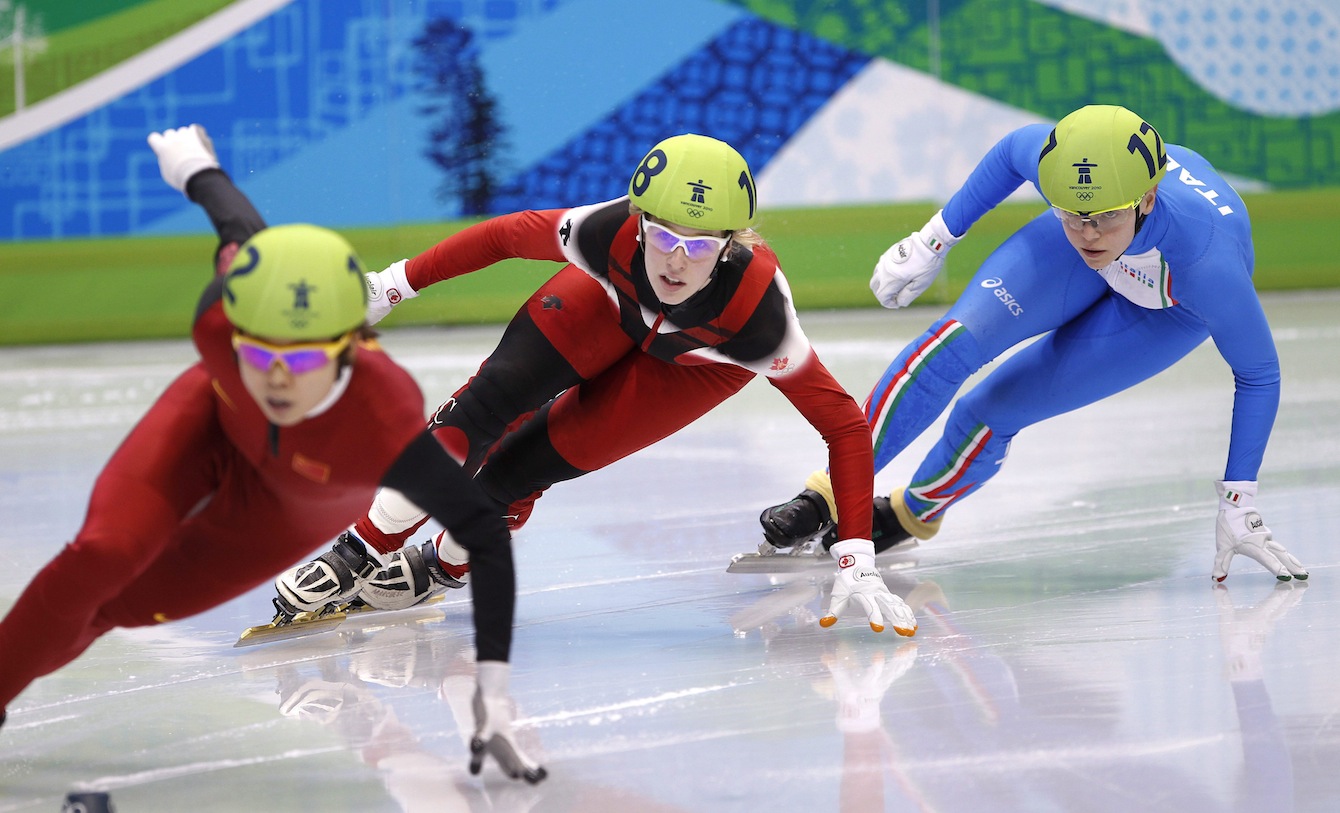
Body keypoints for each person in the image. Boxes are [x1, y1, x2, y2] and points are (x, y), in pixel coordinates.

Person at [0, 125, 543, 784]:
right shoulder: (223, 318)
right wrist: (195, 166)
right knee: (98, 557)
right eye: (259, 355)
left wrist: (492, 690)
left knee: (121, 605)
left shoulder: (380, 420)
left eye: (304, 360)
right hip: (209, 424)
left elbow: (484, 533)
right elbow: (242, 232)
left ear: (349, 346)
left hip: (285, 507)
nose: (278, 380)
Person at [274, 133, 917, 637]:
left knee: (519, 469)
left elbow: (843, 426)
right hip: (608, 304)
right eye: (661, 235)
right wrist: (390, 285)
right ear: (637, 219)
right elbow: (504, 236)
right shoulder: (605, 233)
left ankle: (443, 564)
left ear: (730, 245)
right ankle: (359, 550)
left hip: (696, 365)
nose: (675, 260)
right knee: (489, 401)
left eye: (698, 247)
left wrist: (856, 551)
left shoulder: (760, 322)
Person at [758, 104, 1308, 585]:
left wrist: (1238, 501)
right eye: (1072, 214)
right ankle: (828, 494)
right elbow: (1009, 152)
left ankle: (908, 514)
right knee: (952, 345)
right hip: (1075, 258)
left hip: (1166, 306)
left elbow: (1259, 374)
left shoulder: (1208, 264)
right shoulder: (1070, 174)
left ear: (1147, 198)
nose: (1089, 234)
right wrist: (933, 240)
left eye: (1104, 218)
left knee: (991, 411)